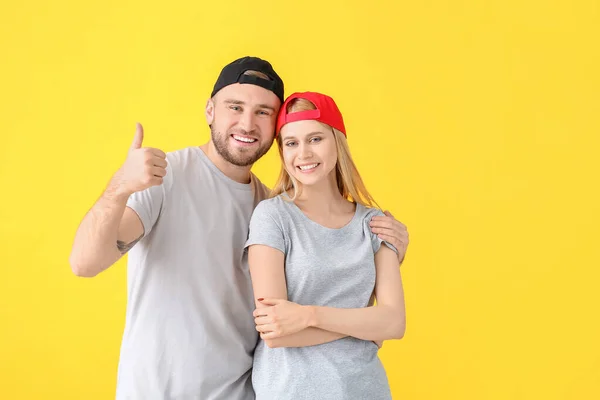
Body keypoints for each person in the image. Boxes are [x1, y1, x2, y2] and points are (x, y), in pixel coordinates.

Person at [69, 57, 409, 399]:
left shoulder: (268, 204)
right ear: (210, 111)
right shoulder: (166, 176)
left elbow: (337, 292)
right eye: (235, 107)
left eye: (263, 112)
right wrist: (120, 187)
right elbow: (84, 263)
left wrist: (383, 250)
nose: (248, 124)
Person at [245, 91, 406, 400]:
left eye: (315, 139)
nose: (303, 153)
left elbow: (395, 323)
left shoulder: (373, 223)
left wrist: (308, 316)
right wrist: (365, 326)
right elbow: (275, 331)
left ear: (337, 141)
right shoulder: (273, 216)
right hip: (290, 391)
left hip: (365, 390)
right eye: (291, 143)